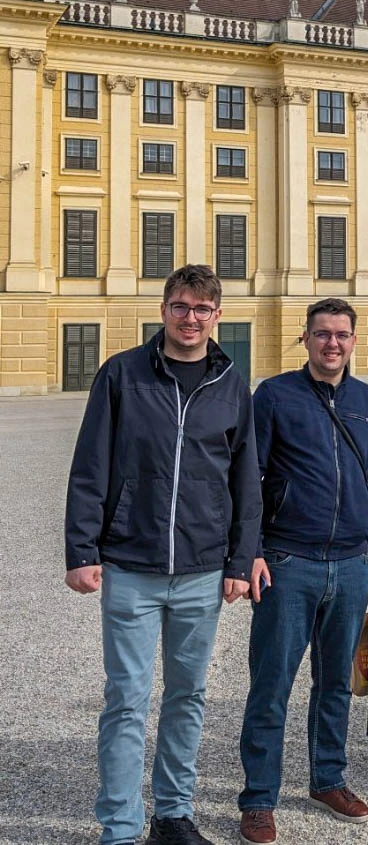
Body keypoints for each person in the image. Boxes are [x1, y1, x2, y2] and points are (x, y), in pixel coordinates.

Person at [64, 265, 261, 845]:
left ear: (217, 315)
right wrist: (81, 549)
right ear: (163, 310)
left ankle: (173, 815)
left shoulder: (230, 381)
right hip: (131, 563)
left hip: (202, 569)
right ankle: (121, 827)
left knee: (188, 697)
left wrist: (239, 561)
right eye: (180, 306)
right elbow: (91, 464)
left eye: (201, 309)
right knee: (126, 699)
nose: (190, 318)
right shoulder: (122, 373)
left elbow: (244, 478)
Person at [237, 299, 368, 845]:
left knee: (335, 683)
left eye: (342, 335)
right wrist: (252, 550)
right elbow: (250, 474)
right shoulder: (275, 395)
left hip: (351, 563)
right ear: (305, 339)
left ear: (354, 341)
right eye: (323, 334)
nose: (333, 343)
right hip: (289, 560)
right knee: (272, 685)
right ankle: (259, 798)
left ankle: (328, 779)